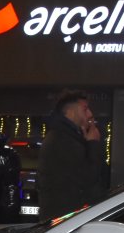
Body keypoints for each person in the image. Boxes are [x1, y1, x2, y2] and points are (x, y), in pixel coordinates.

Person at [38, 91, 108, 221]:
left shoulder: (67, 137)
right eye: (85, 109)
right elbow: (88, 178)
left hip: (67, 218)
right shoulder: (62, 140)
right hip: (66, 220)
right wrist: (93, 144)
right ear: (70, 112)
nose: (90, 114)